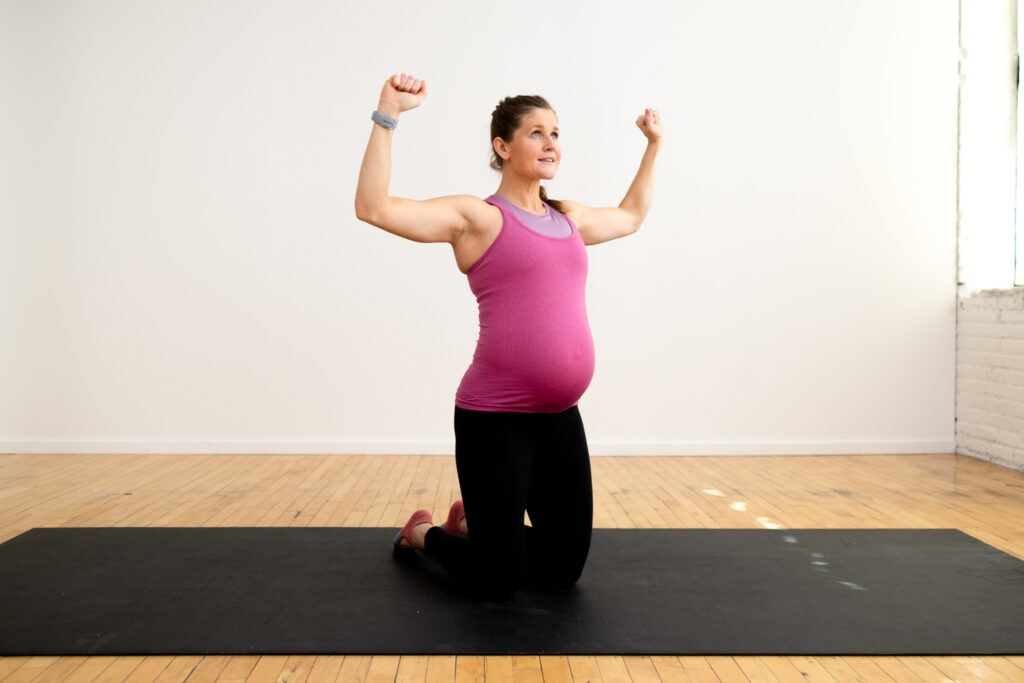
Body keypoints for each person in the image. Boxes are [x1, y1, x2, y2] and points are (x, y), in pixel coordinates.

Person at [355, 73, 662, 601]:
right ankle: (424, 533)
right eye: (537, 133)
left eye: (557, 134)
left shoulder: (569, 218)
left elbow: (632, 216)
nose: (551, 144)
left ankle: (474, 526)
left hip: (560, 419)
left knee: (563, 569)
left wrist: (654, 146)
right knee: (497, 578)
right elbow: (374, 208)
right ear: (503, 146)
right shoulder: (478, 218)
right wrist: (388, 114)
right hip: (494, 419)